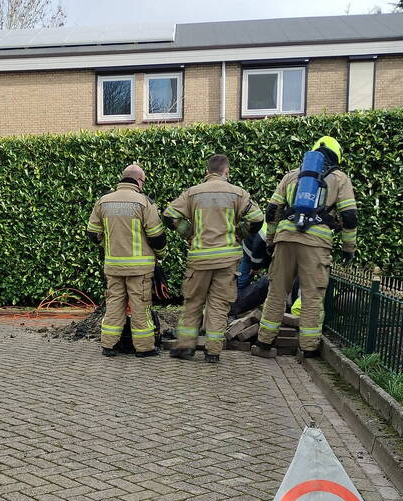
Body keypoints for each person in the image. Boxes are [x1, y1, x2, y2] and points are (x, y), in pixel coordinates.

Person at [252, 136, 357, 359]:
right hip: (316, 242)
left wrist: (271, 240)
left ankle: (263, 342)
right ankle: (308, 348)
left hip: (286, 238)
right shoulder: (340, 178)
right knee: (312, 294)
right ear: (336, 155)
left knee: (277, 291)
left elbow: (272, 211)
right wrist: (348, 248)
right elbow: (349, 216)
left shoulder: (292, 175)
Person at [163, 154, 264, 362]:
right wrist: (239, 233)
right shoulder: (238, 193)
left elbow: (169, 215)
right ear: (226, 172)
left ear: (207, 172)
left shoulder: (193, 193)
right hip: (227, 260)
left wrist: (189, 233)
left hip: (199, 258)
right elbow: (257, 219)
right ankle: (213, 351)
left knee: (193, 303)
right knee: (219, 305)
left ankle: (185, 347)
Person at [87, 164, 165, 358]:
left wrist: (107, 245)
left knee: (114, 304)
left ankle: (108, 345)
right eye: (143, 181)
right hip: (140, 269)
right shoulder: (144, 202)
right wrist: (161, 254)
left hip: (113, 266)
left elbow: (92, 233)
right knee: (140, 306)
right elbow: (157, 237)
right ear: (139, 180)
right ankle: (144, 348)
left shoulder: (103, 202)